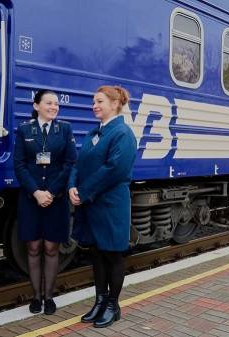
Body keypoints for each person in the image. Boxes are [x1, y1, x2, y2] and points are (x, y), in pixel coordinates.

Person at [68, 85, 137, 328]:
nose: (94, 105)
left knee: (112, 254)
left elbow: (114, 170)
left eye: (99, 101)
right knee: (96, 253)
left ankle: (112, 305)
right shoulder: (92, 133)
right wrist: (71, 187)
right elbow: (78, 164)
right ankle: (99, 301)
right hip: (91, 203)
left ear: (115, 104)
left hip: (110, 204)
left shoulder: (123, 134)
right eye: (93, 101)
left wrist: (84, 192)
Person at [14, 89, 77, 315]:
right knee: (33, 247)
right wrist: (36, 192)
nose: (54, 107)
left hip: (56, 198)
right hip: (31, 199)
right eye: (49, 103)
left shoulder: (65, 129)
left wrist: (50, 191)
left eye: (56, 104)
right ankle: (35, 297)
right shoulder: (24, 130)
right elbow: (19, 165)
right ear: (36, 105)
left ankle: (49, 297)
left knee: (51, 247)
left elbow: (70, 162)